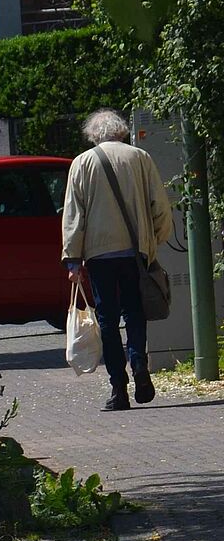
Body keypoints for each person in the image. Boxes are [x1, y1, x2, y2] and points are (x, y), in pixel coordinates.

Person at [62, 108, 173, 411]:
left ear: (93, 135)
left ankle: (118, 388)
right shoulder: (140, 158)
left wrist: (72, 259)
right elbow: (160, 206)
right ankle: (139, 362)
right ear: (121, 131)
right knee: (135, 312)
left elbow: (74, 215)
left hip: (99, 255)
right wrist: (155, 241)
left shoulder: (82, 163)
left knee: (107, 320)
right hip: (135, 252)